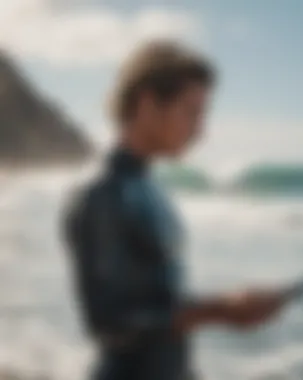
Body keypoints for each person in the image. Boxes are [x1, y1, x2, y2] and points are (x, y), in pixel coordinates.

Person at [63, 41, 289, 380]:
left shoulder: (146, 186)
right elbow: (110, 323)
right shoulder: (103, 194)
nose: (201, 130)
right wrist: (221, 311)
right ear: (148, 103)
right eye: (192, 112)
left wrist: (228, 308)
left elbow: (161, 299)